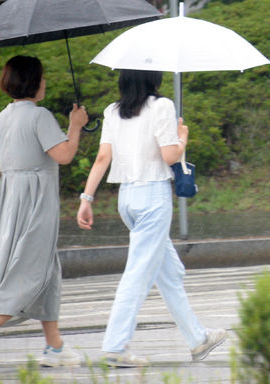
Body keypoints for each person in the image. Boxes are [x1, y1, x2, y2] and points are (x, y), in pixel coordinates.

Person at [76, 69, 227, 368]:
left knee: (169, 273)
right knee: (138, 274)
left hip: (127, 200)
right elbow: (170, 156)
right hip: (153, 198)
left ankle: (198, 338)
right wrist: (182, 138)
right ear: (152, 78)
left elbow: (103, 158)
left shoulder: (112, 111)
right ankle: (115, 346)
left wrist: (86, 198)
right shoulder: (162, 107)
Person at [0, 55, 88, 371]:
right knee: (30, 269)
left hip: (11, 201)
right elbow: (65, 154)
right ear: (33, 81)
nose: (44, 82)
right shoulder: (40, 116)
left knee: (46, 269)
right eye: (41, 77)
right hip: (36, 202)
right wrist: (75, 125)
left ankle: (54, 346)